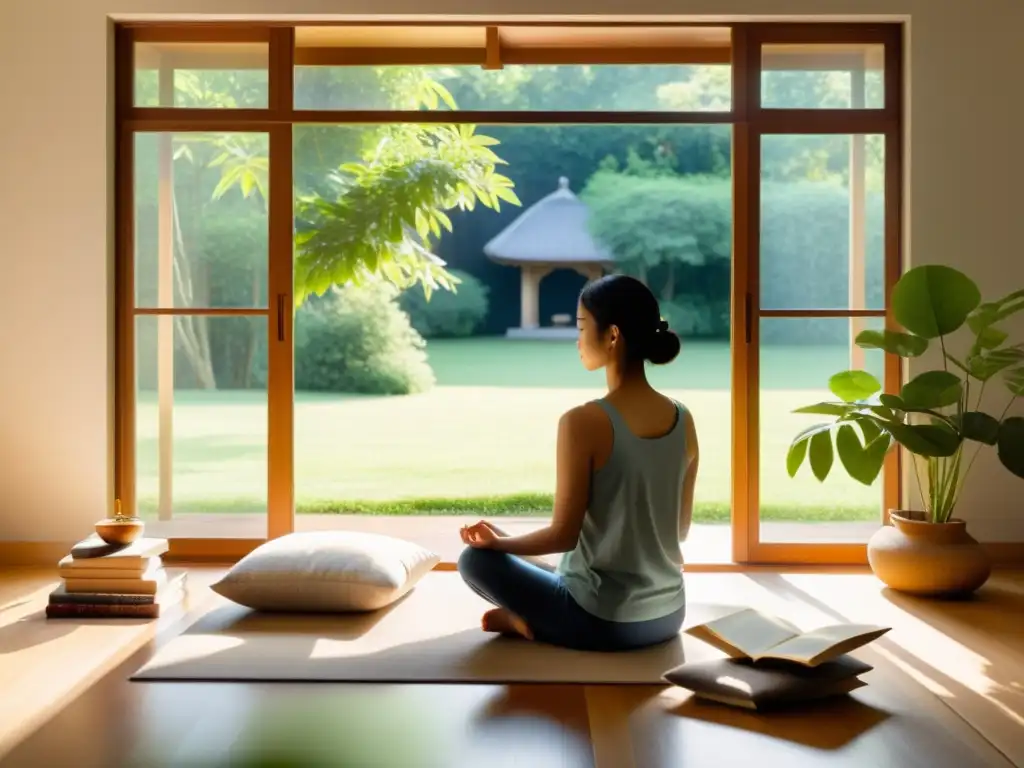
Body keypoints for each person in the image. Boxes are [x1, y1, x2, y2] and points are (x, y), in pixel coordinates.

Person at [457, 274, 700, 652]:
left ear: (613, 335)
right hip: (669, 616)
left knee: (476, 560)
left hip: (605, 623)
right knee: (508, 549)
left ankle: (533, 622)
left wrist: (496, 547)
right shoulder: (683, 418)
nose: (577, 339)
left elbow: (562, 536)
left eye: (582, 326)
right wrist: (504, 541)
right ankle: (531, 615)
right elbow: (679, 530)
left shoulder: (582, 422)